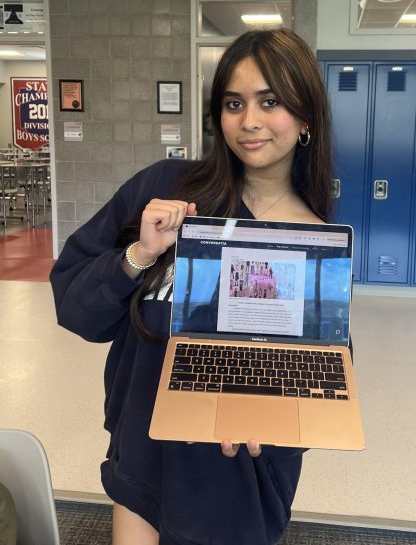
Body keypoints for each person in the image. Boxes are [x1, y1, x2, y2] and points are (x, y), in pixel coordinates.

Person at [50, 28, 333, 545]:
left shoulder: (312, 239)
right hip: (147, 446)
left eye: (270, 102)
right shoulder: (165, 189)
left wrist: (270, 418)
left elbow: (322, 370)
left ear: (306, 116)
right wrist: (140, 254)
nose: (249, 121)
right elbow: (76, 308)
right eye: (233, 102)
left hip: (241, 468)